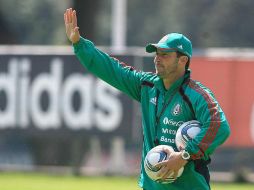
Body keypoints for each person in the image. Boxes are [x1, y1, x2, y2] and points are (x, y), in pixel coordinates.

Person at [64, 8, 230, 190]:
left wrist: (184, 156)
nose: (158, 59)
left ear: (183, 60)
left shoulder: (197, 95)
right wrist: (79, 44)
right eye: (157, 54)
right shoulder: (147, 86)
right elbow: (112, 70)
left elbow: (219, 125)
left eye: (165, 55)